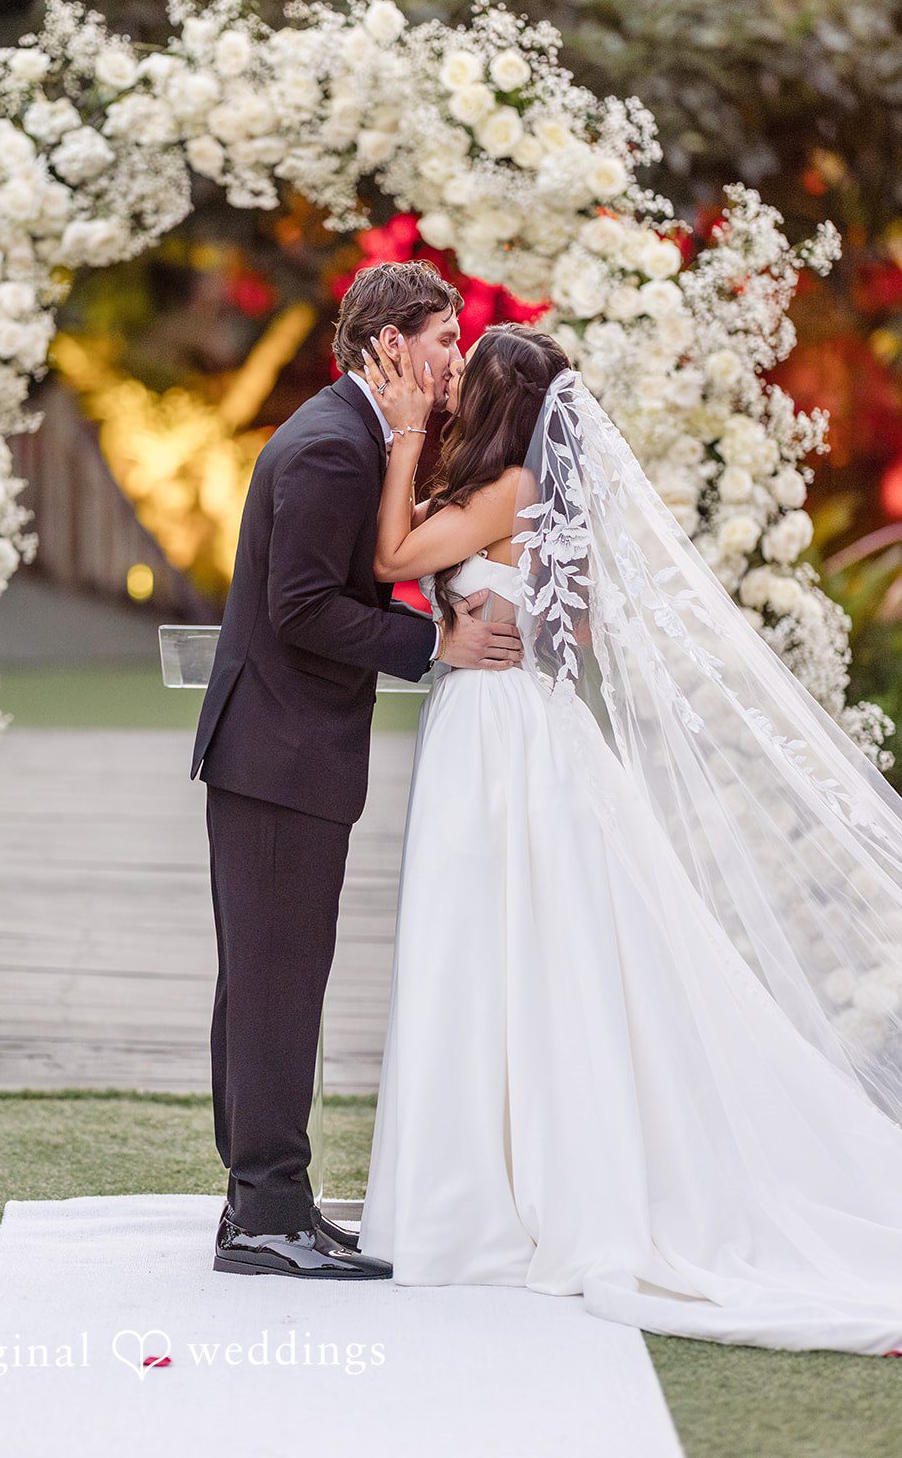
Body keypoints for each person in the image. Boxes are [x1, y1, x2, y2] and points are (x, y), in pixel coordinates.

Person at [357, 320, 902, 1354]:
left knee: (490, 945)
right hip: (512, 726)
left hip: (498, 736)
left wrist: (401, 435)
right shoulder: (516, 492)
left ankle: (486, 1202)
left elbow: (390, 552)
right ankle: (489, 1183)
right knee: (503, 950)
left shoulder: (509, 489)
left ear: (503, 404)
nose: (453, 392)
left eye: (466, 382)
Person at [190, 261, 524, 1279]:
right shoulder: (334, 448)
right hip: (279, 755)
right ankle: (264, 1217)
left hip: (277, 752)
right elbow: (301, 607)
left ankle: (263, 1201)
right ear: (389, 346)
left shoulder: (350, 436)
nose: (452, 359)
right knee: (276, 987)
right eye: (440, 340)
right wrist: (435, 646)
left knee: (265, 982)